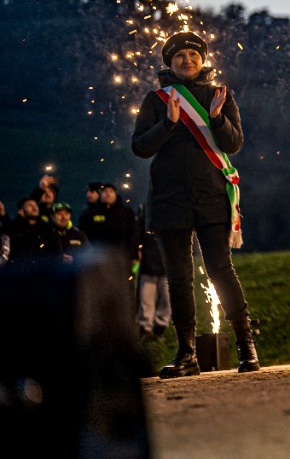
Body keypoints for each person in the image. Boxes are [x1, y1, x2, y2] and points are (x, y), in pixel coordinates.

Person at [131, 31, 258, 376]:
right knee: (178, 279)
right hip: (169, 199)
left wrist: (217, 118)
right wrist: (169, 123)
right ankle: (187, 355)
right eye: (179, 57)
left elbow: (233, 144)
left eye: (193, 54)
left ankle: (247, 348)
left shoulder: (220, 95)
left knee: (221, 271)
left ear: (203, 59)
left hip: (212, 197)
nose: (187, 61)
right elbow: (140, 146)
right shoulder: (156, 99)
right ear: (169, 63)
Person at [134, 204, 172, 340]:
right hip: (148, 265)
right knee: (146, 300)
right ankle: (146, 328)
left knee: (167, 300)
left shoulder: (171, 211)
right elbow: (137, 235)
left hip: (166, 265)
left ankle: (160, 327)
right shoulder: (145, 212)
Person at [79, 182, 136, 261]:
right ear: (100, 195)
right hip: (97, 258)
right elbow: (83, 234)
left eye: (111, 191)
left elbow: (134, 233)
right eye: (105, 191)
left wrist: (133, 253)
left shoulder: (126, 212)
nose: (108, 193)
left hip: (122, 256)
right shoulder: (90, 214)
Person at [3, 197, 57, 267]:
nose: (34, 208)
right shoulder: (14, 229)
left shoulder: (46, 228)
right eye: (30, 205)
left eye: (35, 205)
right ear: (21, 211)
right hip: (18, 271)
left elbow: (54, 250)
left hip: (42, 271)